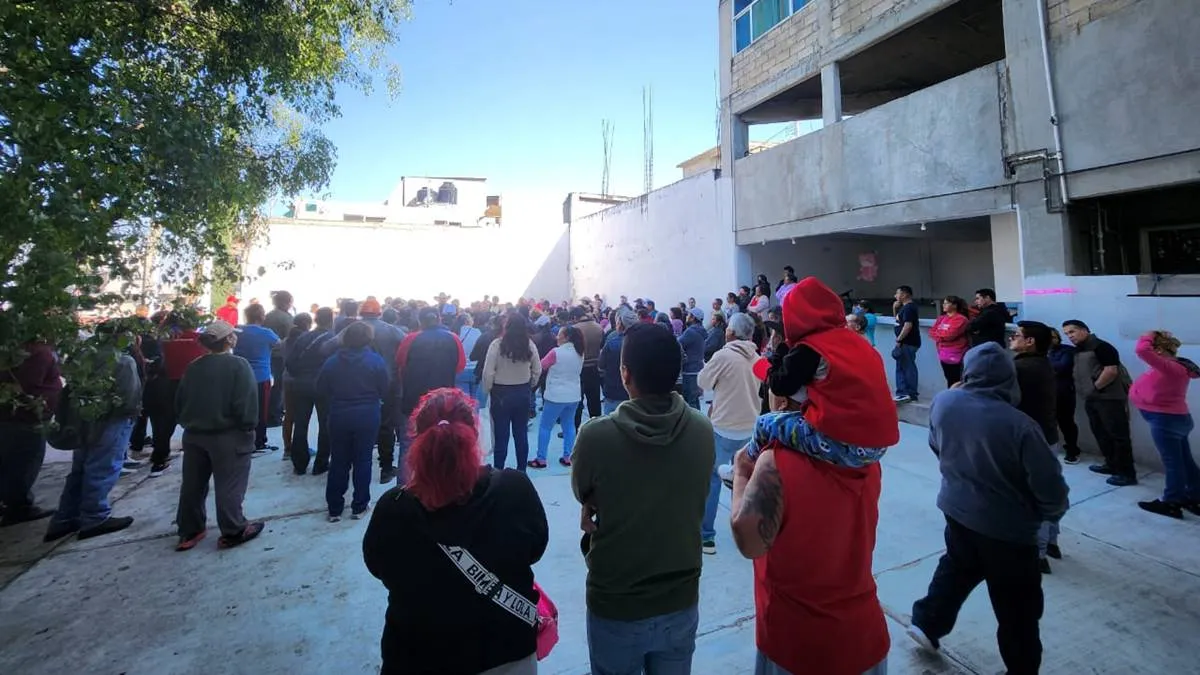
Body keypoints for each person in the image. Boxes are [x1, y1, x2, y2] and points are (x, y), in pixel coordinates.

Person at [728, 344, 893, 675]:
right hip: (864, 634)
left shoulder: (773, 464)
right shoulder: (863, 458)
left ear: (784, 399)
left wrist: (742, 471)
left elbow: (749, 540)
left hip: (798, 642)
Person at [908, 343, 1069, 675]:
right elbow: (1048, 484)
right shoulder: (1020, 426)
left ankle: (927, 622)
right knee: (1018, 606)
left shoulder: (945, 402)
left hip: (957, 509)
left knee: (957, 567)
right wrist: (1050, 513)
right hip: (1009, 530)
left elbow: (936, 445)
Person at [363, 388, 548, 675]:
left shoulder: (393, 509)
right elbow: (535, 548)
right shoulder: (514, 489)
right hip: (507, 652)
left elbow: (378, 567)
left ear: (417, 439)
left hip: (418, 656)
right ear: (474, 433)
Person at [572, 323, 713, 674]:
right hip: (680, 597)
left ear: (625, 374)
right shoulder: (701, 428)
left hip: (617, 601)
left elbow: (582, 489)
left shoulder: (596, 436)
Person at [43, 324, 143, 542]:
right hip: (111, 422)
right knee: (102, 468)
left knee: (80, 470)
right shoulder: (123, 361)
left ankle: (64, 518)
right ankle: (94, 517)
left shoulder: (84, 357)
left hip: (83, 420)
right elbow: (129, 398)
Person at [173, 320, 266, 551]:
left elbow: (179, 401)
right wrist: (248, 427)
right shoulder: (238, 365)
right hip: (228, 435)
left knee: (192, 485)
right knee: (230, 485)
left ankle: (189, 530)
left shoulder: (194, 366)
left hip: (194, 434)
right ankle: (234, 529)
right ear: (229, 340)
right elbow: (246, 404)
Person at [696, 313, 761, 554]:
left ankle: (706, 537)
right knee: (742, 481)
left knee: (713, 480)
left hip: (723, 427)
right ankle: (746, 534)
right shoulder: (758, 357)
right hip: (751, 428)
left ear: (730, 332)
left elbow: (703, 381)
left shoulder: (723, 355)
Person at [317, 321, 390, 522]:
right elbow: (385, 388)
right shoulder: (375, 361)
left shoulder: (332, 362)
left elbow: (321, 388)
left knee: (339, 460)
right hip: (367, 414)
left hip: (339, 414)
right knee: (363, 460)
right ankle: (359, 506)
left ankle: (334, 508)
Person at [1009, 320, 1063, 573]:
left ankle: (1038, 553)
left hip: (1031, 440)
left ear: (1030, 341)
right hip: (1046, 436)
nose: (1012, 338)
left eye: (1017, 335)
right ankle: (1050, 541)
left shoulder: (1021, 368)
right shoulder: (1041, 364)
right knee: (1046, 490)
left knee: (1032, 498)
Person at [1129, 330, 1200, 519]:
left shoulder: (1169, 367)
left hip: (1166, 421)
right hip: (1173, 419)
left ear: (1159, 350)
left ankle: (1172, 503)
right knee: (1184, 460)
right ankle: (1195, 497)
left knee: (1173, 463)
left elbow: (1142, 350)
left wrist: (1150, 334)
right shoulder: (1173, 367)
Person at [394, 308, 467, 483]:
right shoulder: (453, 338)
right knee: (442, 444)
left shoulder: (410, 339)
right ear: (439, 319)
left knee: (408, 445)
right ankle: (438, 485)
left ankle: (403, 490)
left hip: (414, 401)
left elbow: (400, 363)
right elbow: (460, 366)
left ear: (420, 321)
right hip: (444, 403)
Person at [1062, 319, 1136, 486]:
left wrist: (1094, 388)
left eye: (1072, 332)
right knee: (1101, 434)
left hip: (1109, 399)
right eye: (1067, 334)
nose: (1070, 336)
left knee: (1118, 436)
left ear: (1084, 330)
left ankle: (1127, 473)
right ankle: (1111, 465)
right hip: (1093, 399)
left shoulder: (1102, 347)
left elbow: (1111, 371)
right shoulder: (1079, 350)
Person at [0, 337, 62, 527]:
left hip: (16, 416)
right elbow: (27, 386)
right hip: (27, 417)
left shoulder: (15, 350)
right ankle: (18, 507)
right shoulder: (37, 352)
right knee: (25, 462)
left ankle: (11, 502)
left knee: (11, 461)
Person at [145, 314, 208, 476]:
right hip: (192, 385)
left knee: (164, 424)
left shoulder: (163, 339)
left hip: (165, 384)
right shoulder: (200, 339)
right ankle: (198, 456)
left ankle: (159, 459)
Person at [482, 312, 542, 472]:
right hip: (522, 391)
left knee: (501, 437)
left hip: (501, 393)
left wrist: (488, 389)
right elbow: (537, 369)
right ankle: (521, 470)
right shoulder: (529, 345)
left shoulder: (497, 344)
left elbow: (488, 372)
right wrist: (530, 386)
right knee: (521, 434)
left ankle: (498, 471)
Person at [359, 298, 408, 484]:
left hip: (359, 385)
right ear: (378, 313)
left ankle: (357, 466)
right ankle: (386, 468)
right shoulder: (391, 330)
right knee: (386, 425)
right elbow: (408, 345)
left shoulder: (350, 330)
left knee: (361, 426)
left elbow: (327, 348)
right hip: (389, 384)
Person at [285, 307, 337, 475]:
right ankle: (321, 462)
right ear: (331, 320)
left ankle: (299, 463)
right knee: (325, 424)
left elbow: (290, 362)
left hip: (300, 384)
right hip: (322, 385)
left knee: (300, 423)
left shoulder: (303, 337)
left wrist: (299, 375)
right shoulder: (331, 339)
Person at [534, 325, 584, 468]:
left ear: (566, 337)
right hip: (574, 395)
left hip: (555, 395)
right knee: (569, 425)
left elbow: (541, 366)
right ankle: (568, 456)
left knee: (545, 426)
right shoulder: (580, 352)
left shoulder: (556, 352)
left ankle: (541, 458)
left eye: (559, 334)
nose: (557, 336)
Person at [233, 303, 280, 453]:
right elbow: (279, 344)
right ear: (261, 316)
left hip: (240, 375)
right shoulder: (266, 333)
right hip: (261, 376)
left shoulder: (238, 330)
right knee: (261, 409)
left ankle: (241, 438)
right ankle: (259, 441)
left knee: (241, 407)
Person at [1048, 328, 1081, 464]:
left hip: (1063, 391)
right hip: (1047, 392)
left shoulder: (1067, 350)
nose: (1051, 340)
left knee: (1066, 422)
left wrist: (1044, 365)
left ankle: (1072, 450)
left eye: (1054, 337)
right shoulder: (1041, 352)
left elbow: (1063, 366)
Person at [598, 307, 638, 414]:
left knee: (611, 425)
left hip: (614, 391)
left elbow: (601, 365)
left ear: (620, 324)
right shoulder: (644, 343)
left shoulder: (612, 343)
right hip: (635, 392)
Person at [264, 291, 295, 427]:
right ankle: (275, 415)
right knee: (280, 386)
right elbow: (291, 337)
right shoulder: (287, 318)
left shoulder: (268, 316)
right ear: (286, 302)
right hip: (281, 355)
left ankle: (269, 412)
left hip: (268, 353)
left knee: (272, 385)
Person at [573, 306, 605, 430]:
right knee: (594, 400)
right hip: (594, 367)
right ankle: (596, 429)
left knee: (577, 401)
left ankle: (575, 429)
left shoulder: (575, 329)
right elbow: (602, 345)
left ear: (575, 317)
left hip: (580, 368)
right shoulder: (598, 327)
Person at [931, 296, 971, 387]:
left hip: (956, 353)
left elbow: (950, 335)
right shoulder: (941, 318)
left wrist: (940, 335)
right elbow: (932, 332)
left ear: (955, 305)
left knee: (955, 379)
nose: (943, 305)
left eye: (947, 303)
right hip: (943, 352)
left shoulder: (961, 319)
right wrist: (941, 335)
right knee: (948, 377)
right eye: (943, 303)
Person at [892, 285, 921, 403]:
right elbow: (898, 320)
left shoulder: (909, 308)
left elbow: (907, 326)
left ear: (904, 294)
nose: (895, 296)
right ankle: (904, 392)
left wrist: (899, 340)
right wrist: (894, 308)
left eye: (897, 293)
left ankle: (907, 392)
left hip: (907, 342)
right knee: (902, 366)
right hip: (905, 342)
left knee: (907, 367)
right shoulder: (904, 308)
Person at [678, 308, 707, 410]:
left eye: (688, 315)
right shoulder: (701, 331)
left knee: (690, 402)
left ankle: (693, 425)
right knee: (694, 400)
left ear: (693, 317)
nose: (686, 316)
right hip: (698, 369)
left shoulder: (690, 332)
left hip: (689, 370)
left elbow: (677, 343)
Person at [455, 313, 483, 401]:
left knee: (464, 402)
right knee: (475, 400)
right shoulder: (477, 332)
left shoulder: (455, 333)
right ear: (467, 321)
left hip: (460, 370)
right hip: (475, 368)